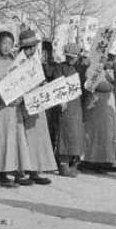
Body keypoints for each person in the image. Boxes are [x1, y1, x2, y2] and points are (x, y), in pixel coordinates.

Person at [0, 31, 23, 189]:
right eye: (4, 43)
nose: (7, 47)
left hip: (11, 107)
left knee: (8, 140)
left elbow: (21, 79)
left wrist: (20, 96)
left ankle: (4, 173)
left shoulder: (15, 61)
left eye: (10, 43)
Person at [19, 30, 54, 184]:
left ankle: (35, 170)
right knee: (23, 137)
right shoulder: (18, 61)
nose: (32, 50)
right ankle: (21, 171)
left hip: (37, 101)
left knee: (38, 137)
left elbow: (40, 79)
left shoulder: (35, 61)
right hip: (23, 102)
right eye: (31, 46)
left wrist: (44, 86)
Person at [50, 43, 85, 177]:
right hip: (65, 104)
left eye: (74, 57)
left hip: (77, 104)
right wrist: (61, 100)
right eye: (69, 57)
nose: (71, 59)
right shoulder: (60, 67)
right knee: (65, 133)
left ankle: (73, 162)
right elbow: (57, 83)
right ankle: (62, 163)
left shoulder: (81, 68)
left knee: (76, 134)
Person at [81, 56, 116, 172]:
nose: (110, 62)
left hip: (107, 105)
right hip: (95, 104)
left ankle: (104, 161)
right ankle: (90, 161)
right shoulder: (91, 69)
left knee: (106, 134)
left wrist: (114, 73)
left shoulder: (108, 72)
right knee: (94, 133)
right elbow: (94, 85)